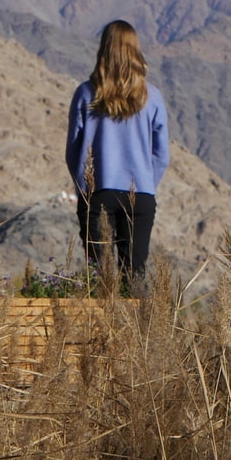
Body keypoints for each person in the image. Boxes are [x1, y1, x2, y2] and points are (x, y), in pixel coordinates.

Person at [65, 20, 169, 285]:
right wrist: (146, 184)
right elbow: (162, 155)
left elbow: (73, 151)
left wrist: (83, 189)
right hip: (140, 196)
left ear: (104, 48)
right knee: (133, 280)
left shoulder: (86, 94)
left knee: (99, 280)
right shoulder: (152, 97)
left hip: (96, 193)